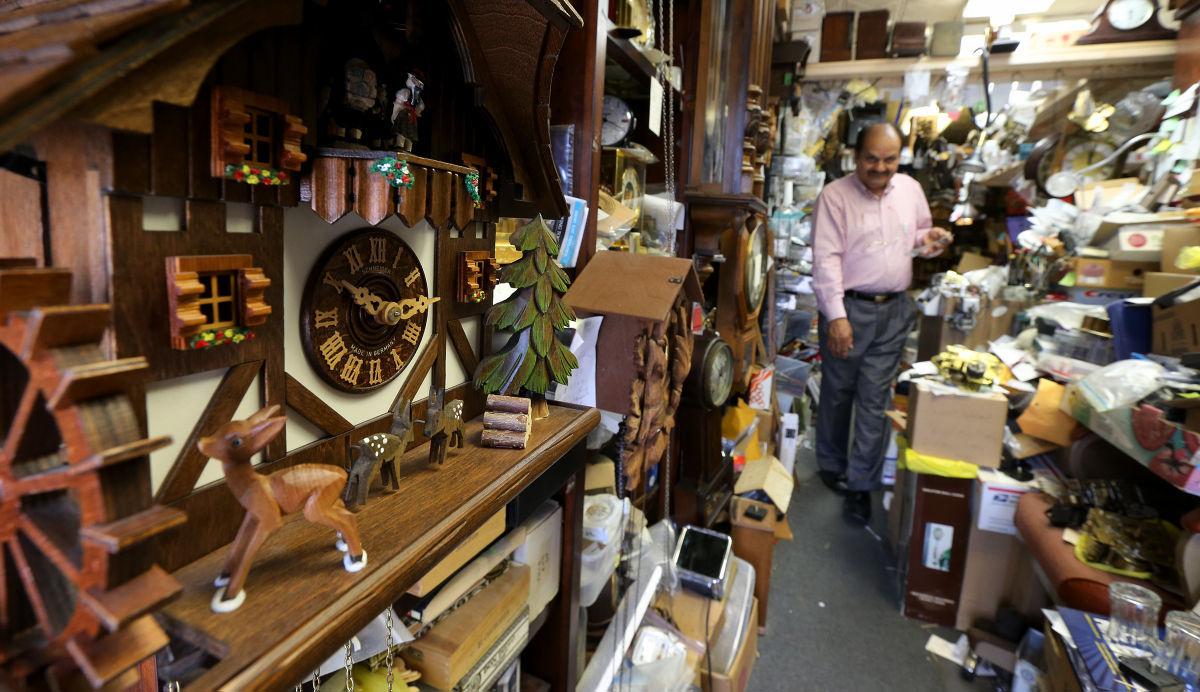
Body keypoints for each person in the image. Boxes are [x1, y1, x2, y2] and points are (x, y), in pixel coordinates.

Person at [811, 122, 953, 525]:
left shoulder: (909, 189)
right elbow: (826, 261)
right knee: (838, 392)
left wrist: (933, 239)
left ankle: (861, 486)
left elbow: (919, 235)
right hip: (849, 308)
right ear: (856, 157)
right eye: (872, 158)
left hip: (894, 310)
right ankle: (831, 463)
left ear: (899, 158)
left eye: (889, 159)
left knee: (875, 400)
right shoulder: (834, 198)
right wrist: (836, 318)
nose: (880, 167)